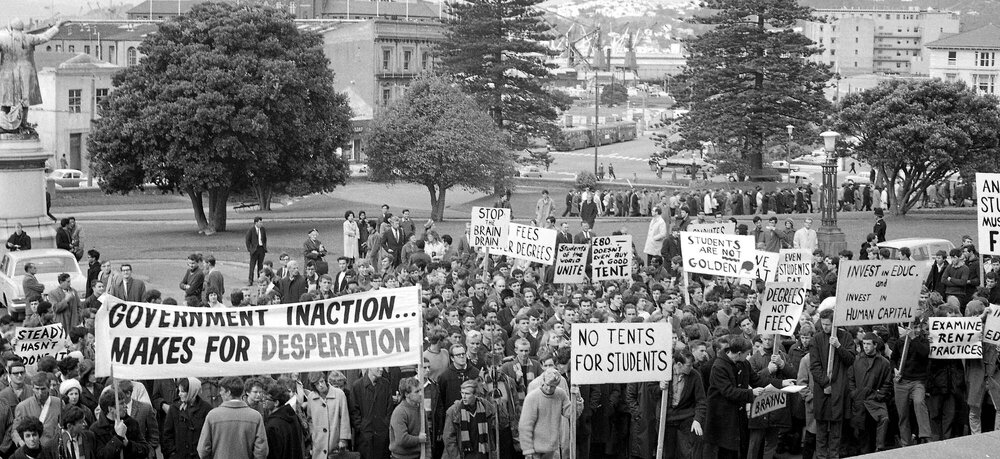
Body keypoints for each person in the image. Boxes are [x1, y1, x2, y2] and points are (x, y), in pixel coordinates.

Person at [809, 309, 858, 459]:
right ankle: (821, 456)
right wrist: (825, 383)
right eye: (823, 324)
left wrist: (838, 346)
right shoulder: (816, 339)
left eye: (828, 324)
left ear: (834, 323)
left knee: (836, 430)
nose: (825, 327)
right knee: (821, 431)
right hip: (822, 390)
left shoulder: (846, 337)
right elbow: (814, 366)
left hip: (839, 389)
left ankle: (834, 456)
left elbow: (850, 359)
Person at [196, 376, 268, 459]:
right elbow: (261, 451)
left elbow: (203, 450)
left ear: (228, 392)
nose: (220, 393)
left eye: (222, 390)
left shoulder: (212, 416)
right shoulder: (256, 416)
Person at [848, 333, 892, 454]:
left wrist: (879, 395)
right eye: (864, 344)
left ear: (875, 345)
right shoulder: (856, 360)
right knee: (862, 433)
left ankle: (879, 449)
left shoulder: (884, 363)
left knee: (883, 419)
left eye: (868, 344)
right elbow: (850, 379)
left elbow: (887, 383)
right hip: (860, 401)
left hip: (875, 400)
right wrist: (854, 393)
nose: (865, 346)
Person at [518, 369, 571, 459]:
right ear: (542, 382)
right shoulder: (532, 397)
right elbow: (525, 425)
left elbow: (570, 413)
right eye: (547, 385)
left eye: (552, 386)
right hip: (535, 449)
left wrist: (578, 401)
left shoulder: (560, 394)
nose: (549, 388)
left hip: (551, 448)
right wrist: (528, 450)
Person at [305, 371, 352, 459]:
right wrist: (313, 434)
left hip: (335, 442)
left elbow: (344, 417)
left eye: (322, 381)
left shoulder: (339, 394)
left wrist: (343, 439)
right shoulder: (311, 397)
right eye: (317, 384)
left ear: (325, 380)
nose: (321, 385)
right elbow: (310, 419)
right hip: (318, 443)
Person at [350, 367, 394, 459]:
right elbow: (354, 411)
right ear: (369, 367)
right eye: (378, 366)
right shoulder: (357, 386)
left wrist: (385, 425)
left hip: (382, 435)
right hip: (364, 437)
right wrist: (361, 428)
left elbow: (389, 408)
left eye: (382, 366)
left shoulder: (386, 384)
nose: (381, 369)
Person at [162, 377, 211, 459]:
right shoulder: (174, 408)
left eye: (183, 391)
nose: (179, 394)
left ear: (192, 391)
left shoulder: (206, 409)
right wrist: (172, 453)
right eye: (179, 391)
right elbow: (168, 434)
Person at [92, 389, 149, 459]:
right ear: (110, 409)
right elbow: (101, 456)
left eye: (125, 402)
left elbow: (145, 449)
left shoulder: (132, 423)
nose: (126, 406)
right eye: (121, 404)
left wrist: (128, 444)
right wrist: (118, 438)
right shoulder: (96, 429)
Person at [13, 373, 62, 452]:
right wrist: (21, 442)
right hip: (31, 449)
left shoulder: (59, 403)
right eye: (37, 389)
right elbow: (15, 430)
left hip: (53, 449)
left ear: (49, 388)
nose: (40, 392)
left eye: (43, 389)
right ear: (32, 388)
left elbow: (63, 426)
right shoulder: (22, 406)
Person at [263, 378, 306, 459]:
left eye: (267, 399)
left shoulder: (273, 426)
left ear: (276, 403)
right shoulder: (293, 416)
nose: (263, 401)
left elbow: (273, 454)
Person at [390, 377, 427, 459]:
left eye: (420, 390)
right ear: (407, 394)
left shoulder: (421, 410)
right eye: (417, 392)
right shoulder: (400, 412)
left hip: (418, 456)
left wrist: (427, 456)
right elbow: (402, 439)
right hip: (401, 457)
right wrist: (419, 439)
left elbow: (426, 437)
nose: (420, 394)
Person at [245, 216, 267, 285]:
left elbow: (264, 238)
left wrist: (264, 246)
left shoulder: (263, 229)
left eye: (261, 222)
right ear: (256, 223)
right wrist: (250, 249)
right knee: (252, 265)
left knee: (260, 265)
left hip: (261, 249)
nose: (261, 224)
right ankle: (250, 280)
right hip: (254, 250)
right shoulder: (251, 230)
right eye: (260, 222)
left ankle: (260, 279)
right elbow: (247, 240)